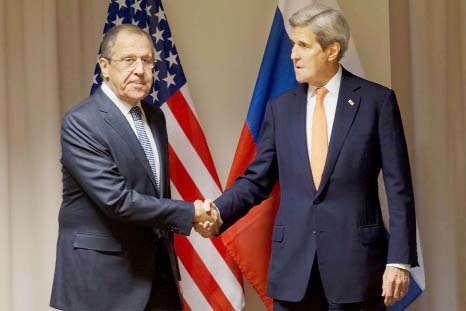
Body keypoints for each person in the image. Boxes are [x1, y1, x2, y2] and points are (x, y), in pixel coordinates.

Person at [196, 4, 418, 310]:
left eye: (303, 45)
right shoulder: (281, 108)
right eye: (292, 45)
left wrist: (399, 259)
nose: (293, 55)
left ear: (331, 50)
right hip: (293, 273)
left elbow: (399, 188)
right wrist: (218, 212)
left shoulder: (376, 102)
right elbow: (257, 179)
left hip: (356, 269)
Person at [50, 24, 217, 311]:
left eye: (147, 61)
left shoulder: (155, 117)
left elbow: (153, 192)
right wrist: (190, 213)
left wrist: (194, 218)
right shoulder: (82, 122)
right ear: (104, 66)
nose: (140, 70)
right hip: (102, 284)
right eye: (128, 60)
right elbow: (116, 200)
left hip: (156, 276)